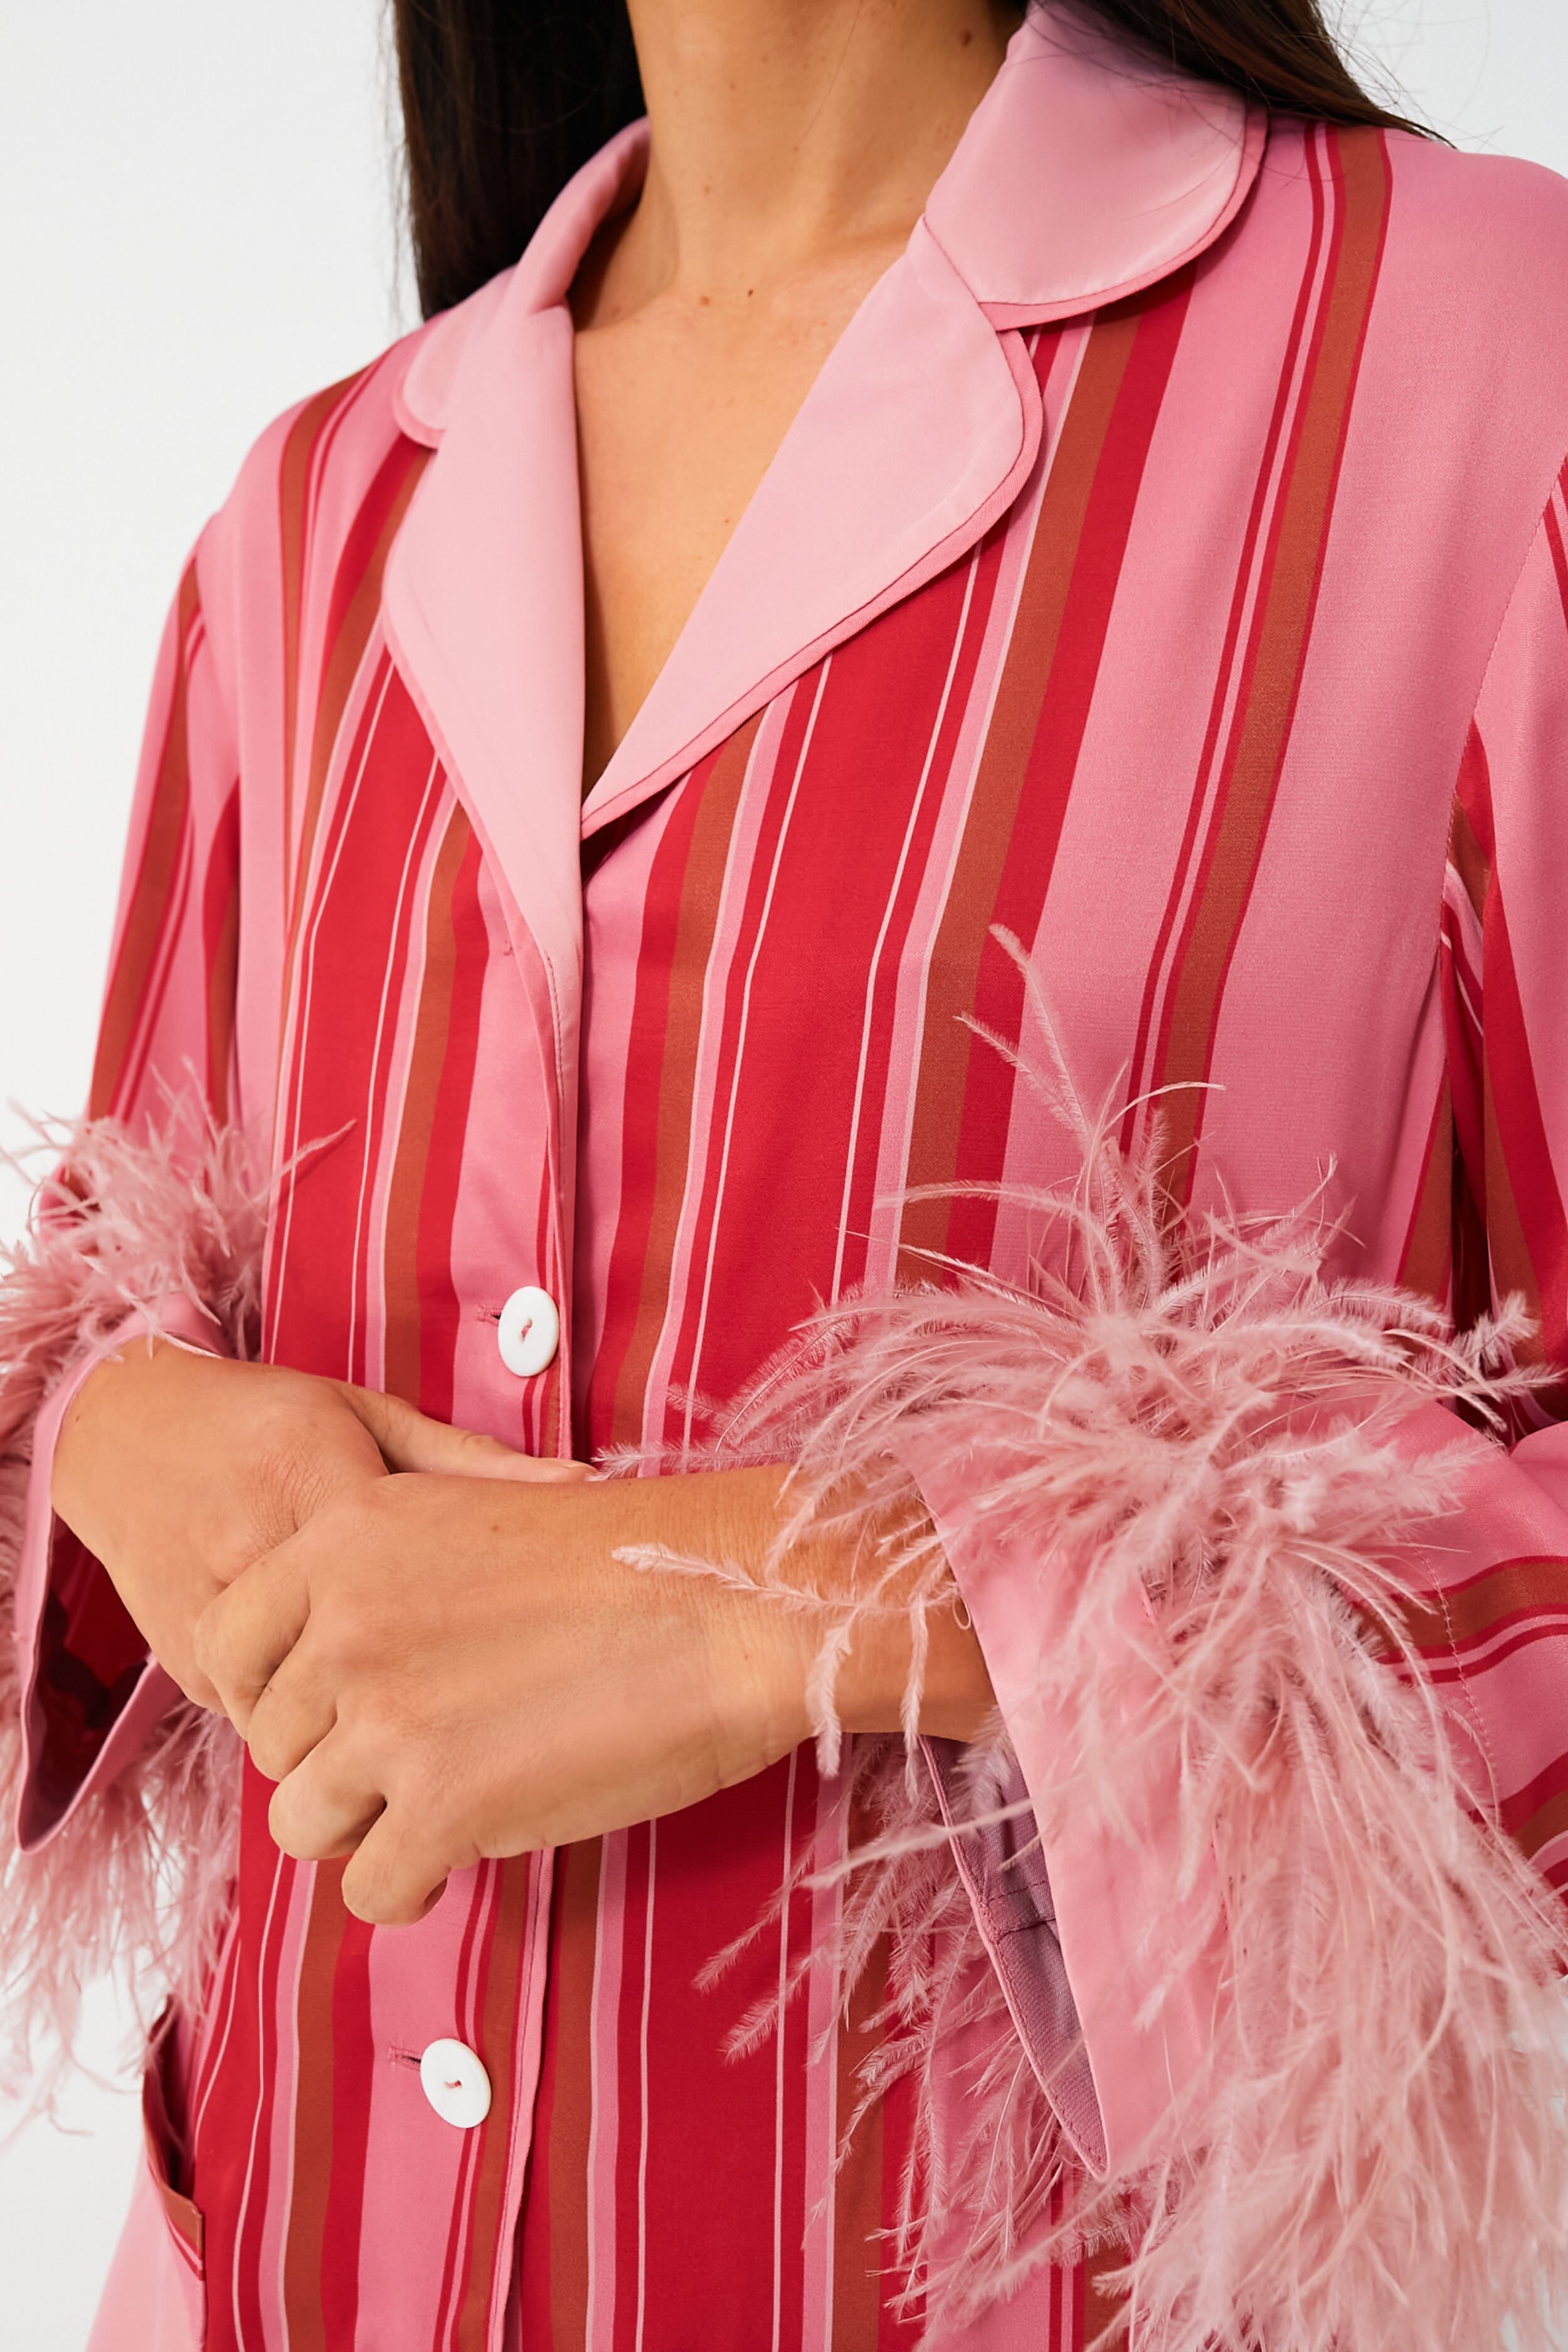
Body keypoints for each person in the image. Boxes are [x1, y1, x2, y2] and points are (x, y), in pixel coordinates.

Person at [4, 0, 1568, 2344]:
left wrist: (784, 1605)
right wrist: (123, 1433)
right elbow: (106, 1285)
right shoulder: (312, 514)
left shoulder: (1482, 362)